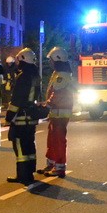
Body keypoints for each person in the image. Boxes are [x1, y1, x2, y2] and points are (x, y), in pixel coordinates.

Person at [5, 48, 41, 186]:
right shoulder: (35, 75)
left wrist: (9, 116)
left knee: (20, 146)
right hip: (31, 116)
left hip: (21, 117)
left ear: (23, 60)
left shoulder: (23, 76)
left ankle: (22, 175)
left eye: (19, 60)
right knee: (29, 144)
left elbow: (17, 99)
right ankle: (30, 173)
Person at [40, 47, 75, 177]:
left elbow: (58, 93)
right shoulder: (58, 73)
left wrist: (48, 104)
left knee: (58, 140)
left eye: (52, 60)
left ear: (57, 60)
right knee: (52, 138)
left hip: (61, 112)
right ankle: (51, 163)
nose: (51, 63)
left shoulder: (62, 76)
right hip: (57, 111)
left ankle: (59, 166)